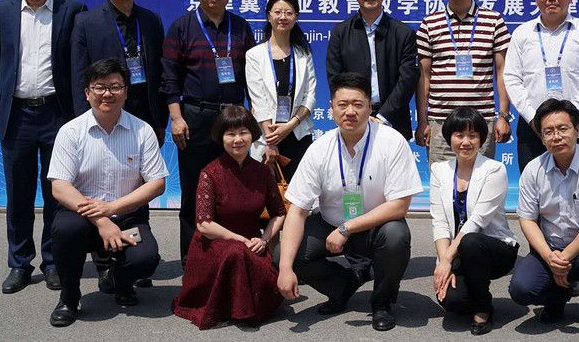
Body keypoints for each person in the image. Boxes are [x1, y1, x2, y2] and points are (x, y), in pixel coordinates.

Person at [276, 72, 422, 332]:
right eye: (342, 105)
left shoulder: (392, 142)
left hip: (375, 226)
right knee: (285, 254)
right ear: (331, 109)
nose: (350, 112)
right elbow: (297, 210)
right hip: (329, 224)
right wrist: (285, 269)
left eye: (358, 104)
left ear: (370, 108)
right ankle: (342, 286)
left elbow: (400, 205)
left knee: (396, 236)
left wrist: (347, 228)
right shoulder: (319, 149)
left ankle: (382, 303)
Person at [0, 0, 86, 294]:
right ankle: (19, 263)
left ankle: (54, 261)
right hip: (17, 114)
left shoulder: (72, 9)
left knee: (57, 191)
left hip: (58, 113)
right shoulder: (1, 11)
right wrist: (14, 86)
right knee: (19, 192)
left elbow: (79, 60)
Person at [46, 59, 168, 327]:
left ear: (125, 91)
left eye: (115, 86)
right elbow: (60, 186)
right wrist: (102, 220)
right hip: (81, 215)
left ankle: (119, 281)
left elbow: (157, 183)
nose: (107, 93)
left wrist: (112, 210)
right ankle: (69, 298)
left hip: (127, 217)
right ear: (87, 92)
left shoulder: (142, 130)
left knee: (145, 258)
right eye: (99, 87)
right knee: (66, 231)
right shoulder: (71, 131)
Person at [161, 0, 256, 263]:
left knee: (233, 187)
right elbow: (169, 76)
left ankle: (230, 255)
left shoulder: (240, 27)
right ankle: (193, 259)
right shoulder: (182, 26)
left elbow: (252, 77)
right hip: (195, 117)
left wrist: (253, 119)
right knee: (194, 188)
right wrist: (176, 118)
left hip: (232, 119)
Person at [508, 99, 579, 342]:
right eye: (548, 131)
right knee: (521, 289)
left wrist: (564, 257)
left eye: (563, 128)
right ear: (541, 137)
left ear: (577, 130)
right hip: (552, 248)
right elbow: (527, 220)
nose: (556, 136)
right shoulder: (533, 169)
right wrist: (550, 257)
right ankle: (557, 296)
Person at [173, 105, 286, 329]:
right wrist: (241, 239)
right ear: (220, 137)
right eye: (230, 134)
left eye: (243, 132)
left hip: (252, 243)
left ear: (253, 135)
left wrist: (264, 240)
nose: (238, 140)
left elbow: (279, 213)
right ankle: (237, 309)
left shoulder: (263, 172)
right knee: (235, 253)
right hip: (213, 244)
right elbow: (204, 224)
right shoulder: (209, 173)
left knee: (255, 267)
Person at [504, 0, 579, 172]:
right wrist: (533, 118)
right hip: (532, 126)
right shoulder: (522, 33)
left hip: (577, 125)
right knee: (533, 183)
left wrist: (568, 118)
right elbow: (512, 79)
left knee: (578, 184)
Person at [430, 107, 518, 336]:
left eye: (472, 135)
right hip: (458, 251)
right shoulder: (439, 170)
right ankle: (472, 290)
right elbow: (439, 221)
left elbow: (477, 221)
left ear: (481, 139)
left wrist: (447, 259)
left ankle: (483, 307)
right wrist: (444, 262)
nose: (466, 142)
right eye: (459, 135)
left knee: (470, 240)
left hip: (494, 248)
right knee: (453, 302)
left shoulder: (494, 169)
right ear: (449, 137)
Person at [416, 0, 512, 165]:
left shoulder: (493, 20)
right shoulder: (429, 23)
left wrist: (503, 116)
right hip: (440, 122)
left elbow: (502, 71)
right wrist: (422, 121)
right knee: (441, 181)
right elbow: (424, 76)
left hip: (481, 122)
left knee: (481, 181)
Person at [71, 0, 167, 145]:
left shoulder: (152, 20)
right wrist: (84, 121)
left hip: (146, 116)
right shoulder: (86, 22)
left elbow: (161, 71)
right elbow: (79, 75)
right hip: (105, 114)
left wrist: (160, 120)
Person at [326, 0, 418, 140]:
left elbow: (407, 80)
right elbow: (335, 78)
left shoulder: (404, 33)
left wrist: (382, 117)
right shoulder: (340, 32)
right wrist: (360, 113)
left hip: (393, 121)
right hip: (353, 119)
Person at [246, 0, 316, 179]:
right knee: (267, 191)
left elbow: (310, 96)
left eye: (288, 13)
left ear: (296, 17)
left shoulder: (303, 54)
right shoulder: (254, 55)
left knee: (300, 190)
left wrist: (290, 126)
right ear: (269, 16)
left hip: (298, 133)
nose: (283, 17)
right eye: (278, 12)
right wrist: (271, 141)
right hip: (267, 137)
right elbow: (258, 100)